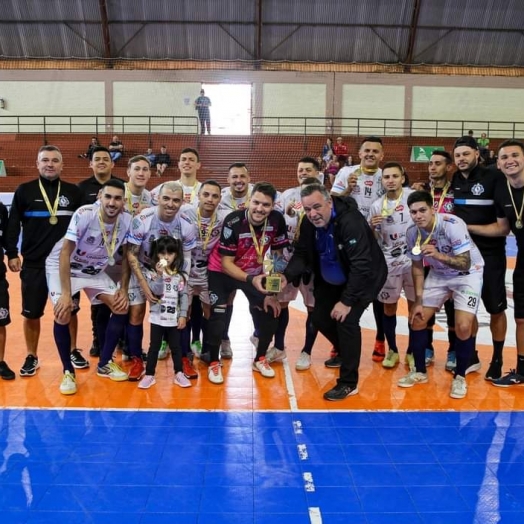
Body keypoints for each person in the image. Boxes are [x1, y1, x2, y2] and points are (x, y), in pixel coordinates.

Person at [282, 184, 387, 400]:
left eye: (317, 207)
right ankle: (345, 352)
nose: (313, 214)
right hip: (332, 277)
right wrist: (286, 276)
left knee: (346, 321)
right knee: (319, 318)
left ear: (329, 202)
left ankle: (349, 382)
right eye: (308, 209)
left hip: (364, 277)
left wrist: (347, 301)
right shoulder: (310, 222)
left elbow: (361, 264)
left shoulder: (351, 221)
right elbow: (302, 253)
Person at [47, 179, 132, 394]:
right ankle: (68, 372)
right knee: (63, 312)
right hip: (64, 266)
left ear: (124, 201)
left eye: (117, 198)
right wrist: (67, 294)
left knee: (121, 306)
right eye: (108, 197)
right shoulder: (85, 214)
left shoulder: (128, 220)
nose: (112, 202)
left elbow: (129, 255)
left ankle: (104, 363)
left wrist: (123, 287)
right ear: (99, 197)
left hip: (94, 270)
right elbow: (65, 252)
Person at [6, 145, 85, 377]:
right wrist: (12, 252)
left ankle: (72, 350)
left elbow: (84, 225)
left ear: (62, 165)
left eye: (55, 160)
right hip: (34, 264)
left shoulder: (74, 192)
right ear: (37, 164)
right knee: (31, 313)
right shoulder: (24, 191)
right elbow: (13, 225)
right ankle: (32, 355)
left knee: (70, 310)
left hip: (66, 266)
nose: (50, 164)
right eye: (45, 160)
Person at [399, 190, 484, 399]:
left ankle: (460, 377)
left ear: (433, 208)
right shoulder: (412, 233)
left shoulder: (452, 224)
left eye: (422, 210)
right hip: (439, 275)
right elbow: (417, 268)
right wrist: (418, 301)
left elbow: (465, 262)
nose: (418, 216)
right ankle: (419, 372)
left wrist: (437, 254)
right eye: (413, 212)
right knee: (417, 319)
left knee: (463, 325)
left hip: (468, 274)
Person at [205, 182, 288, 384]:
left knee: (271, 310)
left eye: (266, 205)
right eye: (256, 202)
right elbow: (226, 263)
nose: (260, 209)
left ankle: (260, 358)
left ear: (273, 206)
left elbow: (276, 255)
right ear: (249, 201)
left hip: (254, 272)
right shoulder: (233, 221)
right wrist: (252, 279)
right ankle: (214, 362)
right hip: (222, 271)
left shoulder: (277, 220)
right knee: (218, 314)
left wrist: (272, 292)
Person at [126, 182, 197, 382]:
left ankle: (183, 359)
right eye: (166, 198)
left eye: (176, 200)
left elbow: (189, 256)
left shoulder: (186, 224)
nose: (170, 204)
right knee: (137, 312)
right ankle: (137, 360)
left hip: (172, 273)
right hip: (143, 269)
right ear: (158, 198)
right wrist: (145, 285)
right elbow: (131, 254)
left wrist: (181, 279)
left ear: (182, 202)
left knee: (181, 313)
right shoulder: (143, 219)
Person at [468, 140, 524, 386]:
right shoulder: (503, 190)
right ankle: (521, 371)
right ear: (498, 164)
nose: (510, 160)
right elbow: (502, 228)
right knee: (521, 318)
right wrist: (466, 226)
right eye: (504, 157)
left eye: (515, 155)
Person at [452, 135, 507, 380]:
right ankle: (471, 356)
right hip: (463, 257)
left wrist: (466, 228)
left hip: (490, 255)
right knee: (468, 309)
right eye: (457, 155)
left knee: (495, 309)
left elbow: (502, 228)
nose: (461, 159)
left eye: (465, 154)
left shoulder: (494, 178)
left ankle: (497, 358)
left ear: (477, 154)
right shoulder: (453, 180)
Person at [331, 136, 387, 364]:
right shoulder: (347, 173)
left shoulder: (387, 176)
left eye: (375, 151)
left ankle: (380, 339)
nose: (371, 154)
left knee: (379, 295)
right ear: (360, 153)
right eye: (367, 150)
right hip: (349, 241)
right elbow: (331, 202)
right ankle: (338, 343)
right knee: (343, 289)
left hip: (377, 240)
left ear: (382, 155)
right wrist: (347, 190)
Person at [269, 159, 325, 371]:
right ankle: (279, 346)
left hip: (312, 261)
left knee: (312, 307)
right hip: (286, 259)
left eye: (308, 170)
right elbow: (277, 221)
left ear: (318, 173)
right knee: (280, 303)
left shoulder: (324, 197)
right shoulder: (286, 196)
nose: (303, 173)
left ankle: (306, 351)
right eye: (300, 170)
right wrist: (289, 213)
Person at [77, 146, 124, 357]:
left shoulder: (121, 185)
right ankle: (98, 339)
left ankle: (120, 338)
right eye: (97, 159)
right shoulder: (81, 188)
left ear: (112, 163)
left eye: (106, 158)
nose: (102, 162)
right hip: (89, 257)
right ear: (91, 163)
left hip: (115, 253)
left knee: (118, 299)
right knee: (97, 302)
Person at [368, 162, 414, 369]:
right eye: (386, 177)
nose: (391, 180)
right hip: (389, 263)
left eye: (395, 176)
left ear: (402, 178)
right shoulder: (377, 206)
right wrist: (372, 227)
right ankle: (393, 350)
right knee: (389, 308)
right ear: (382, 180)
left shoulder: (413, 197)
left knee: (415, 307)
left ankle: (413, 351)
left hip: (414, 261)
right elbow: (373, 239)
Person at [138, 236, 190, 389]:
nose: (166, 257)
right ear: (157, 254)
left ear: (176, 255)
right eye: (162, 253)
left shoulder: (180, 276)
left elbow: (184, 296)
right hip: (157, 318)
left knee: (176, 347)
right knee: (154, 346)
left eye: (170, 253)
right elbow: (156, 291)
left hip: (173, 318)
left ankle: (179, 373)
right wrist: (160, 276)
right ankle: (149, 375)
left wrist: (183, 315)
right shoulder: (153, 274)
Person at [0, 201, 15, 380]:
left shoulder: (1, 209)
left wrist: (12, 254)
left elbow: (7, 238)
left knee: (1, 320)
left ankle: (0, 361)